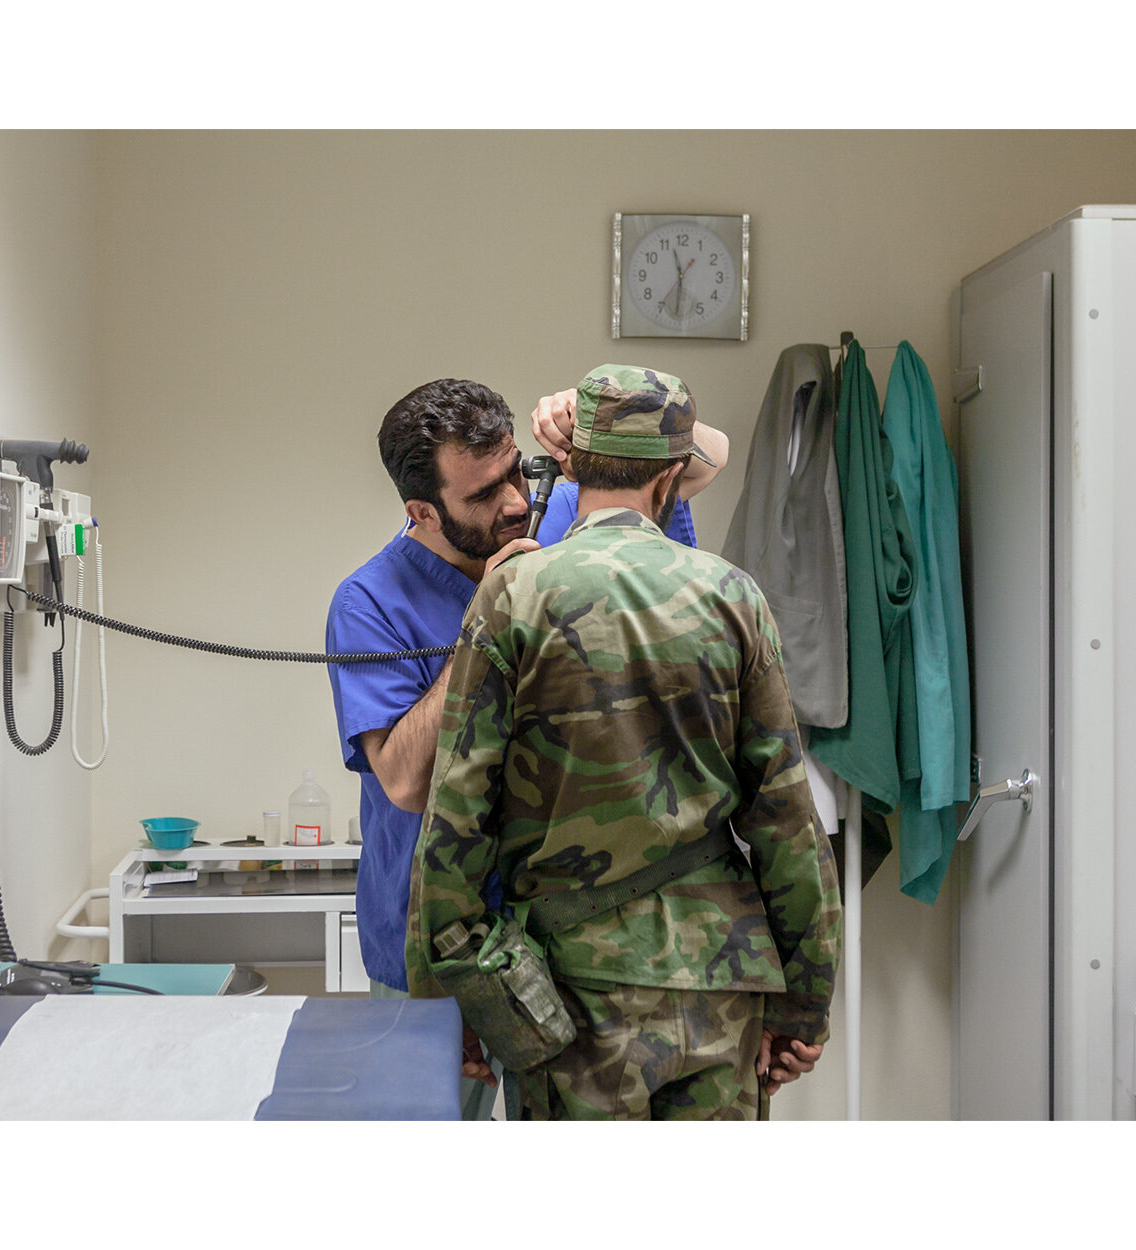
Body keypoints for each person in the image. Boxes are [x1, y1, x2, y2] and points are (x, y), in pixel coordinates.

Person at [403, 365, 843, 1120]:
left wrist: (457, 996)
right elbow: (787, 824)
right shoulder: (733, 596)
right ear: (672, 478)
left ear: (569, 465)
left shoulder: (514, 594)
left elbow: (455, 821)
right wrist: (803, 1008)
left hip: (569, 1006)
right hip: (721, 984)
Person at [323, 376, 729, 1119]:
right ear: (422, 511)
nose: (513, 502)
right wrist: (488, 612)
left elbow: (705, 461)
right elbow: (405, 780)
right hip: (434, 951)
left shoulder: (563, 511)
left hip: (561, 933)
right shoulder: (370, 602)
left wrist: (604, 416)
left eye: (514, 470)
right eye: (481, 496)